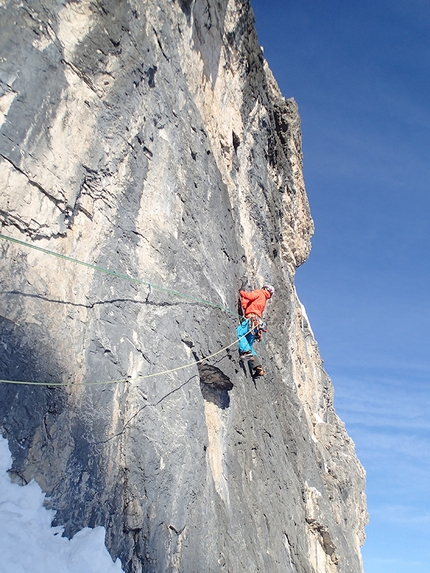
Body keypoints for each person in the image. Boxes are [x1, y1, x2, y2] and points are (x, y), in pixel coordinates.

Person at [236, 285, 274, 377]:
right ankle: (258, 367)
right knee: (249, 344)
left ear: (264, 289)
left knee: (239, 332)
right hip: (256, 323)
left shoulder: (260, 292)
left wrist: (241, 292)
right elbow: (247, 306)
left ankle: (246, 352)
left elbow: (250, 296)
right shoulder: (263, 299)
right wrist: (243, 300)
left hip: (251, 319)